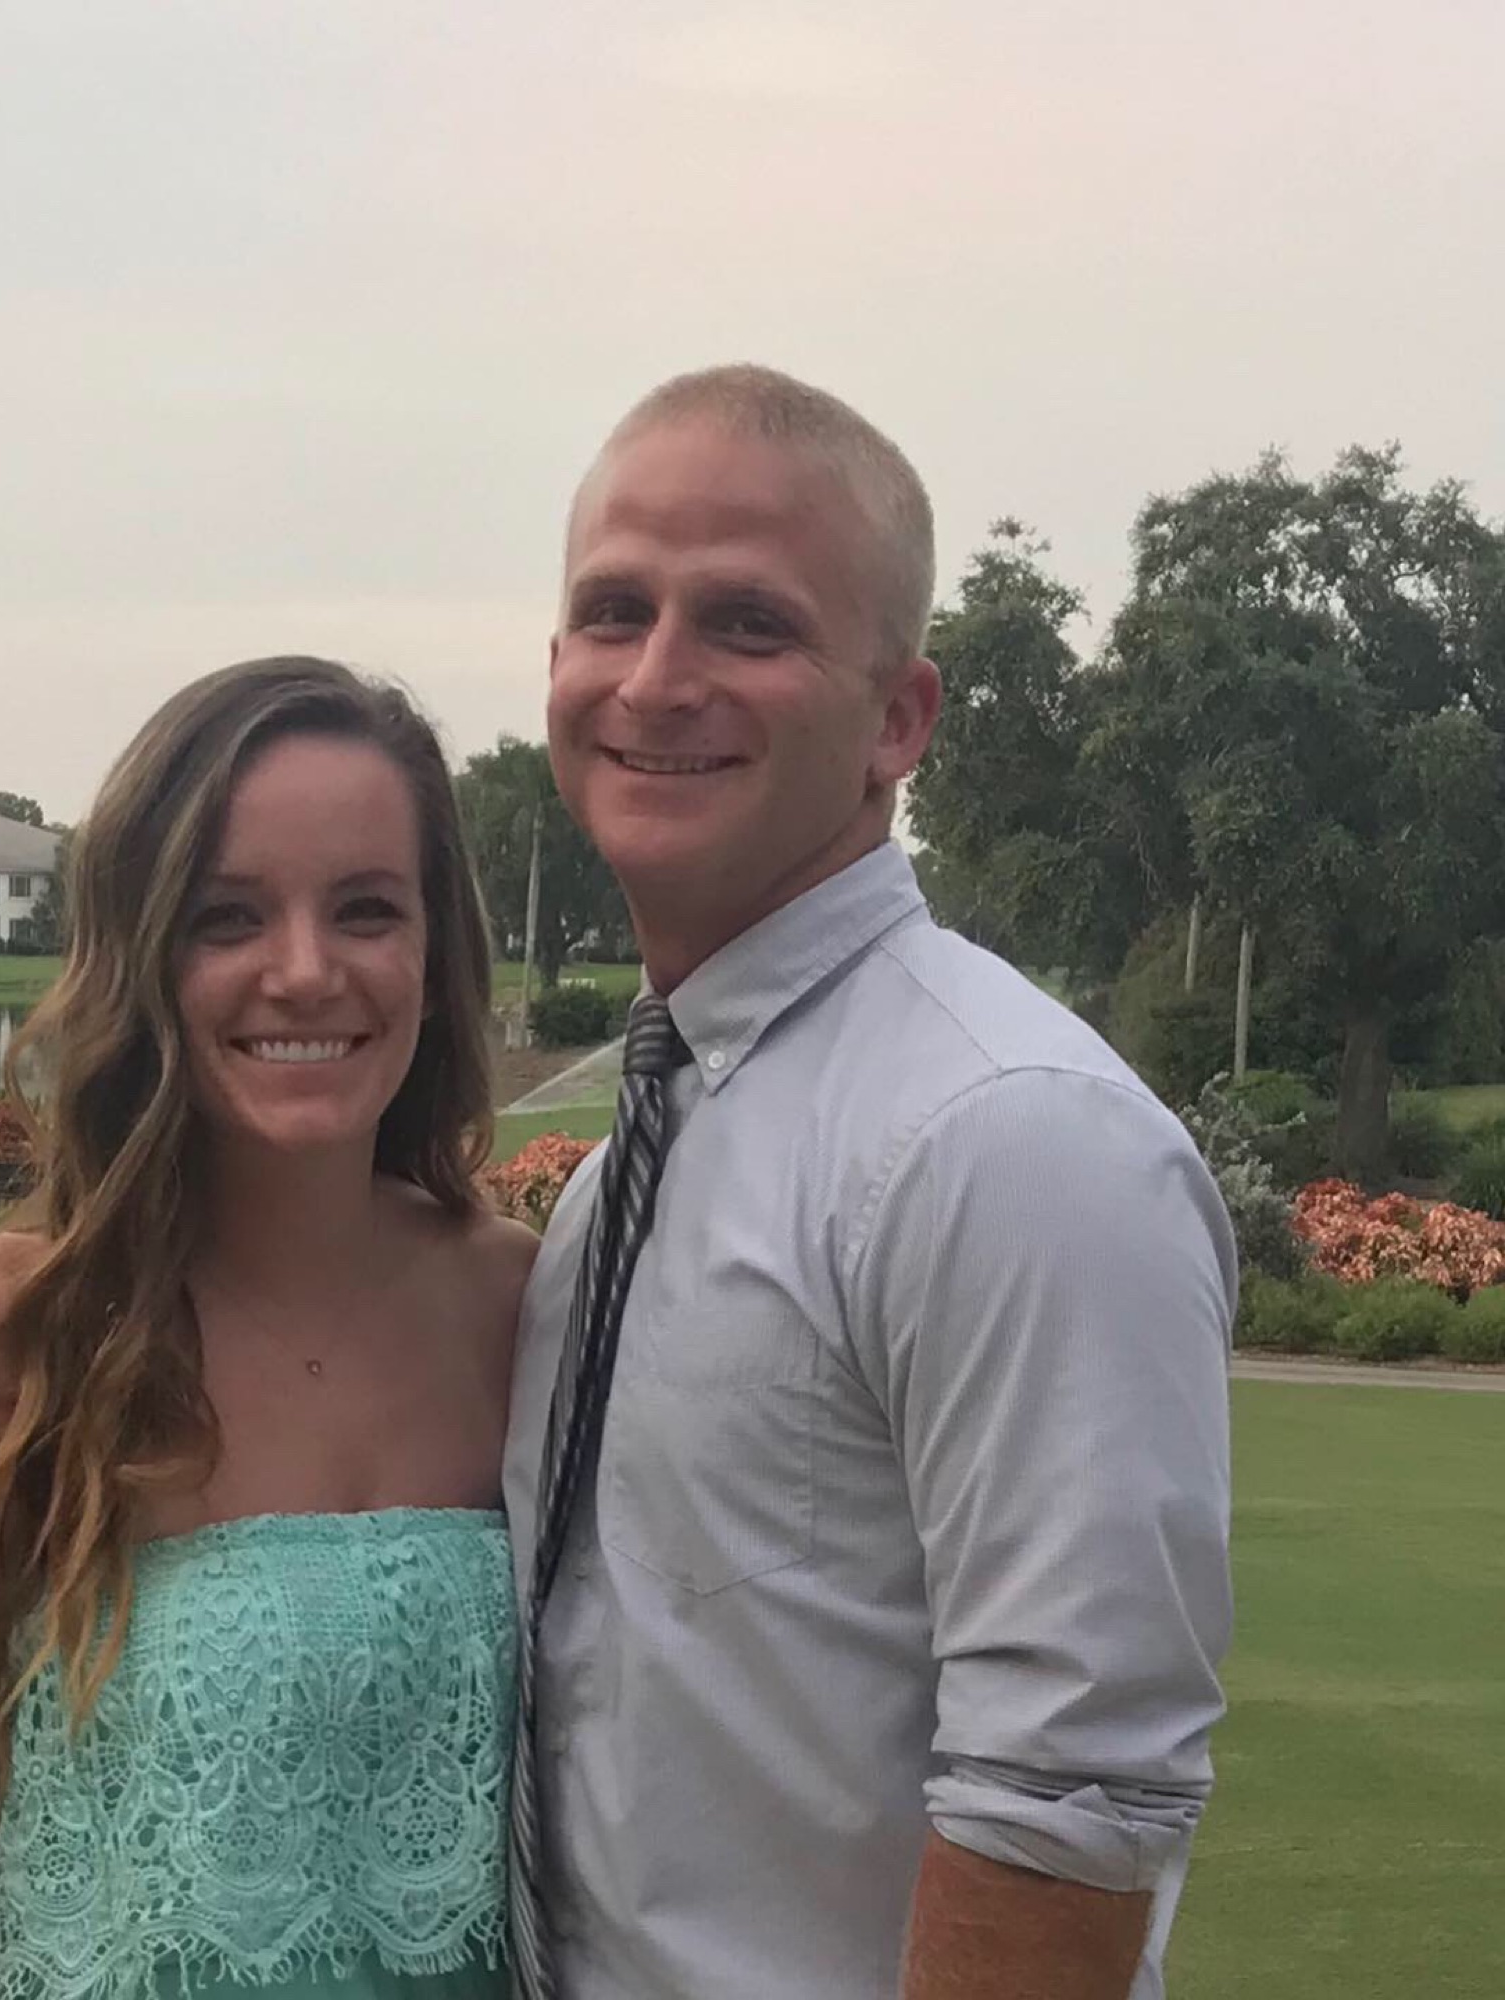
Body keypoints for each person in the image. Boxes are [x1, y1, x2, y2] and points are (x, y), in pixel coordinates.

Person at [503, 366, 1236, 2000]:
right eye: (615, 611)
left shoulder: (1012, 1137)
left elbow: (1069, 1801)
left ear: (898, 719)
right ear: (557, 670)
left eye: (748, 624)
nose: (658, 678)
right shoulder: (630, 1171)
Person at [0, 657, 537, 2000]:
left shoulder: (521, 1309)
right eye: (228, 917)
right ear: (143, 957)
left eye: (366, 909)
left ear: (436, 960)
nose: (305, 971)